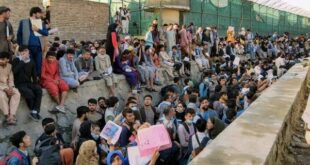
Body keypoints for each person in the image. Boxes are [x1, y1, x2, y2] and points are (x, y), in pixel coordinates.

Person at [12, 46, 42, 121]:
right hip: (19, 84)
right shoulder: (16, 60)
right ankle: (32, 111)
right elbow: (14, 72)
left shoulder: (31, 61)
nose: (26, 53)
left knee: (38, 90)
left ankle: (35, 111)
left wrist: (35, 83)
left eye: (27, 51)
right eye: (24, 52)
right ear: (20, 52)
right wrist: (22, 61)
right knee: (29, 93)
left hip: (28, 82)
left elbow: (34, 74)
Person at [17, 7, 48, 75]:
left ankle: (37, 80)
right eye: (39, 13)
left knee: (38, 64)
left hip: (38, 47)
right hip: (27, 47)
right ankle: (29, 81)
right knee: (28, 64)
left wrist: (38, 30)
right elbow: (19, 35)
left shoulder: (41, 23)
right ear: (34, 13)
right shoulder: (23, 22)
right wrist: (21, 46)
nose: (41, 15)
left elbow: (46, 33)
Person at [0, 51, 20, 125]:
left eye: (2, 59)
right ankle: (7, 115)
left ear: (7, 60)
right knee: (1, 96)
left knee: (16, 93)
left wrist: (11, 87)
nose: (0, 61)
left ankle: (12, 114)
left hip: (7, 86)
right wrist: (4, 89)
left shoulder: (9, 66)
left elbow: (11, 79)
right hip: (1, 87)